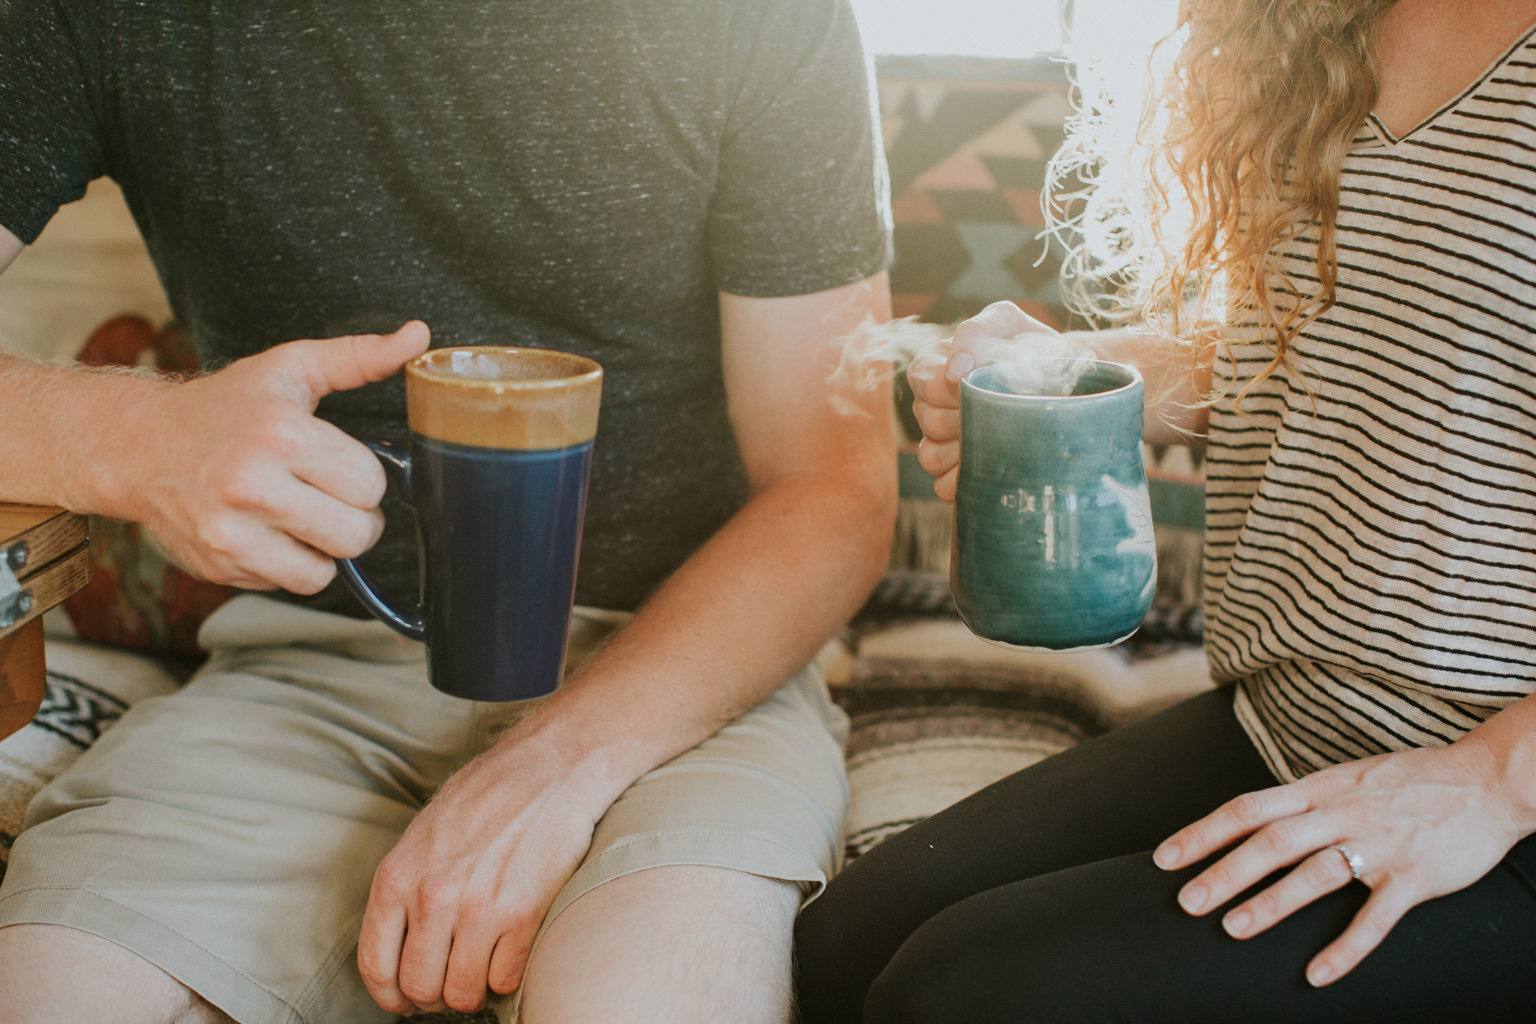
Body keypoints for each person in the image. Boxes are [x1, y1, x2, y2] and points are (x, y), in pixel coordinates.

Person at [0, 2, 897, 1022]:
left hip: (680, 689)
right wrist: (129, 440)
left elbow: (836, 487)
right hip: (300, 677)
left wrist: (552, 770)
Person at [793, 0, 1536, 1020]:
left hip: (1497, 798)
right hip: (1295, 722)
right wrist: (1074, 372)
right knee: (839, 946)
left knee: (954, 1000)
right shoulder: (1314, 18)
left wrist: (1496, 780)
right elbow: (1320, 344)